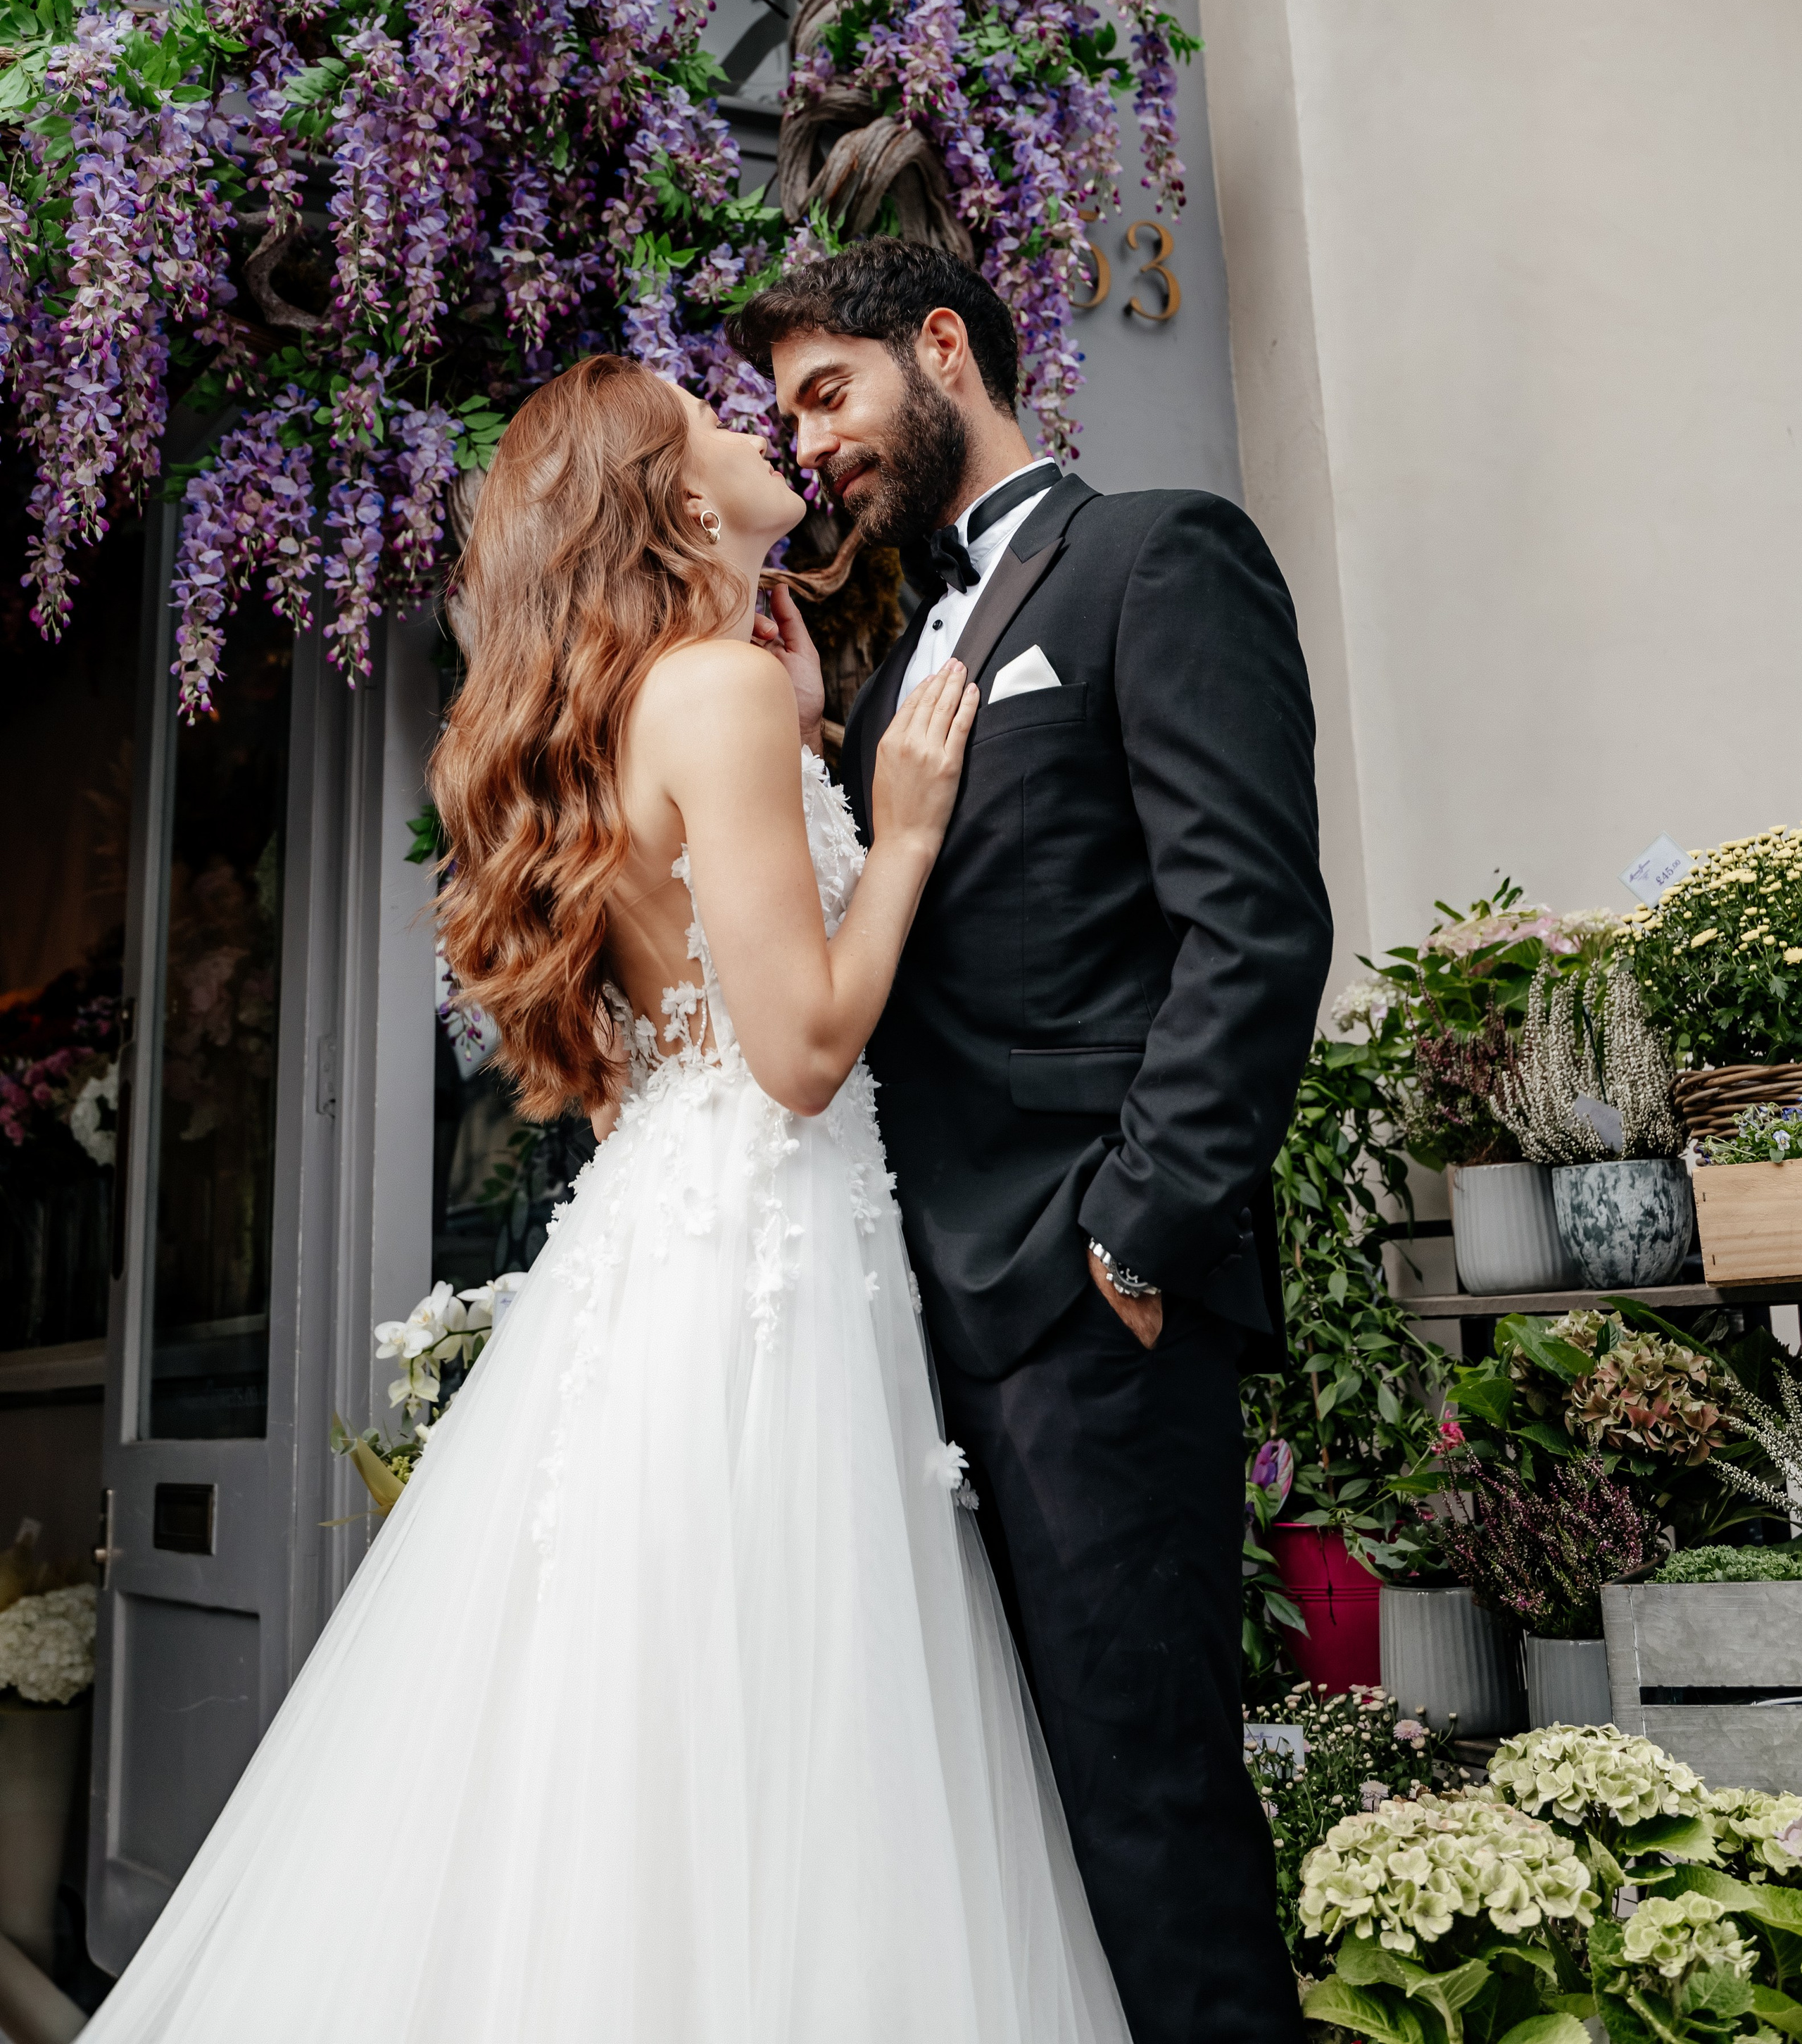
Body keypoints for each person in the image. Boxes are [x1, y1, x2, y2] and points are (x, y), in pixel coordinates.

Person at [79, 356, 1132, 2044]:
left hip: (680, 1230)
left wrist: (805, 736)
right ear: (673, 493)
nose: (750, 424)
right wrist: (903, 830)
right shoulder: (713, 691)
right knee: (784, 1704)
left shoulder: (673, 699)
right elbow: (799, 1051)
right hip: (766, 1249)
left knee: (655, 1713)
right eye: (709, 420)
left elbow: (697, 1011)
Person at [731, 239, 1334, 2044]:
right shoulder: (895, 657)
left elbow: (1252, 928)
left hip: (1088, 1304)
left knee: (1149, 1807)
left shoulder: (1158, 557)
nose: (805, 445)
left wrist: (1137, 1230)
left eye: (825, 393)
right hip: (923, 1320)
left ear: (942, 346)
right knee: (1008, 1838)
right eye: (783, 418)